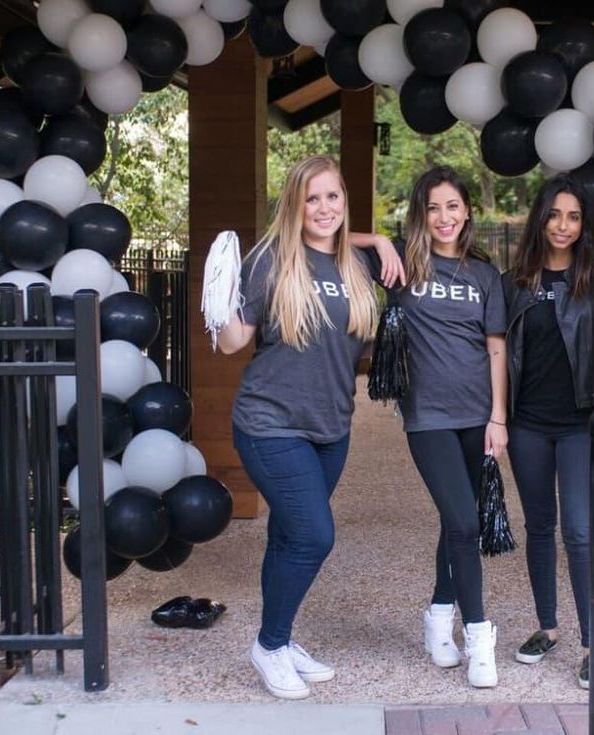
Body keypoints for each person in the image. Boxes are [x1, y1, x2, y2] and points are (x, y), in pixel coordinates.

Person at [216, 155, 401, 699]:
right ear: (294, 204)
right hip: (270, 424)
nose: (323, 208)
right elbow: (231, 343)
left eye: (332, 196)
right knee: (314, 536)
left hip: (331, 428)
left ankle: (280, 637)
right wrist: (217, 300)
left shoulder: (358, 263)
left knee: (287, 535)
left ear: (344, 201)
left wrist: (380, 239)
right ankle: (270, 645)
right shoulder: (269, 261)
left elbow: (350, 239)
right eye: (311, 198)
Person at [390, 166, 508, 688]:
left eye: (453, 206)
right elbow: (339, 240)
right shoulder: (402, 264)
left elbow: (496, 348)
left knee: (456, 520)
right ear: (421, 213)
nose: (444, 217)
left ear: (467, 212)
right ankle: (479, 635)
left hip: (477, 415)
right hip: (428, 417)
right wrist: (378, 240)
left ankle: (439, 617)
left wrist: (498, 417)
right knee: (464, 522)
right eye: (433, 207)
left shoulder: (484, 274)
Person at [502, 175, 594, 690]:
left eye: (573, 216)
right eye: (554, 215)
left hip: (579, 423)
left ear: (584, 224)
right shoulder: (514, 283)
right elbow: (495, 353)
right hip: (527, 423)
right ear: (539, 219)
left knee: (580, 531)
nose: (563, 226)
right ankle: (548, 626)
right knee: (539, 526)